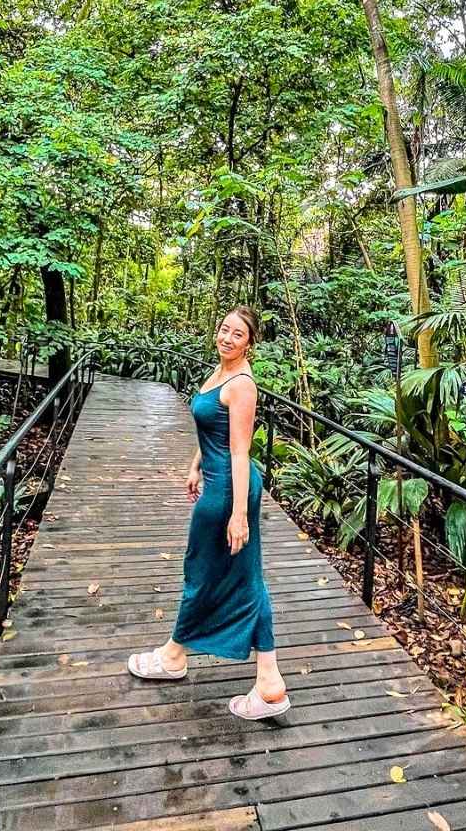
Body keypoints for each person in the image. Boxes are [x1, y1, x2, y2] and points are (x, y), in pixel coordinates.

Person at [127, 305, 289, 718]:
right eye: (223, 330)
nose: (227, 338)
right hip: (216, 480)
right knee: (244, 576)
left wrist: (237, 514)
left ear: (250, 342)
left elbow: (239, 450)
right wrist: (196, 462)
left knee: (202, 571)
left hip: (229, 491)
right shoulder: (220, 373)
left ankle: (174, 654)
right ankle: (268, 682)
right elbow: (213, 429)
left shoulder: (242, 385)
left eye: (237, 334)